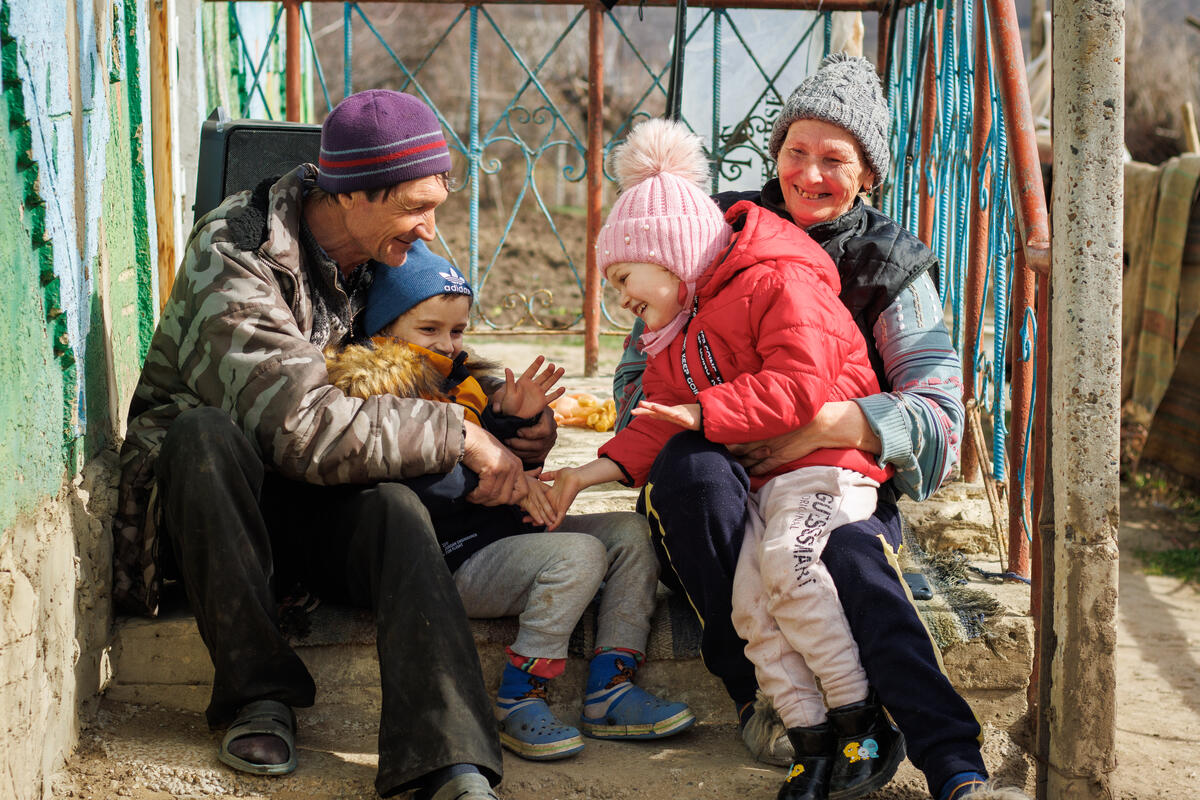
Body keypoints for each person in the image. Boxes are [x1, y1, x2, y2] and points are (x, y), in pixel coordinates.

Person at [611, 55, 1024, 800]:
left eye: (835, 159)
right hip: (725, 473)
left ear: (868, 173)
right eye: (795, 151)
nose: (809, 175)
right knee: (693, 478)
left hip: (833, 474)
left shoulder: (890, 263)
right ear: (775, 153)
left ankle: (954, 765)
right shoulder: (716, 231)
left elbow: (939, 419)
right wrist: (709, 426)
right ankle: (760, 698)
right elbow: (639, 376)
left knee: (849, 561)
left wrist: (830, 422)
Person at [111, 89, 543, 800]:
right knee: (202, 436)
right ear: (350, 195)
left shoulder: (380, 250)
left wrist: (505, 418)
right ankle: (258, 694)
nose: (430, 231)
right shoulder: (238, 248)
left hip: (308, 500)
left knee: (399, 514)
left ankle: (447, 757)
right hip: (215, 515)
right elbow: (302, 428)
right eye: (415, 207)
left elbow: (435, 355)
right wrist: (457, 434)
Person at [541, 117, 905, 800]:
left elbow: (801, 386)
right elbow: (656, 422)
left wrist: (706, 413)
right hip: (770, 478)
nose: (620, 297)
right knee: (748, 603)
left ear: (671, 254)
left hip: (825, 466)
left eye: (624, 276)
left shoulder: (778, 282)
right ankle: (810, 737)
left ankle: (862, 717)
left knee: (788, 573)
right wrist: (585, 473)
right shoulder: (680, 329)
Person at [324, 241, 695, 761]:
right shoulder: (371, 393)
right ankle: (520, 696)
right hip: (446, 558)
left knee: (632, 535)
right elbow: (393, 489)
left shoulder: (464, 383)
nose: (449, 344)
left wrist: (513, 425)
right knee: (579, 555)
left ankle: (611, 687)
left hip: (501, 535)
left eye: (457, 331)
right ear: (383, 331)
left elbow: (488, 450)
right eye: (428, 330)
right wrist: (491, 482)